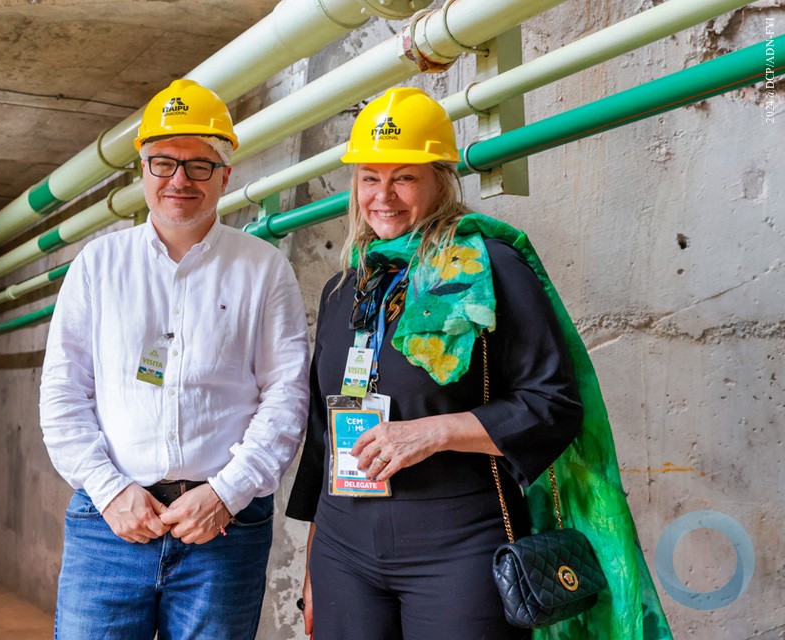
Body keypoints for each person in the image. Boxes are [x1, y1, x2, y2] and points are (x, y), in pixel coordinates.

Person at [286, 86, 672, 639]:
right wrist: (312, 568)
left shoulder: (489, 268)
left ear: (441, 179)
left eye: (405, 177)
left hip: (460, 546)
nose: (383, 196)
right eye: (370, 177)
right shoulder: (345, 285)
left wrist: (433, 433)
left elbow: (553, 406)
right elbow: (325, 437)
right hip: (345, 552)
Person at [39, 78, 310, 640]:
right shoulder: (97, 267)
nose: (179, 180)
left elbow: (285, 399)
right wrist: (110, 490)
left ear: (225, 175)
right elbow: (63, 395)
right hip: (109, 525)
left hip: (224, 528)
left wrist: (227, 493)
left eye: (199, 165)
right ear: (142, 170)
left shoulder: (263, 269)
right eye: (163, 162)